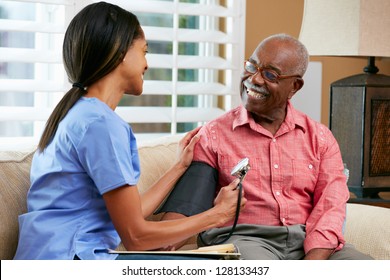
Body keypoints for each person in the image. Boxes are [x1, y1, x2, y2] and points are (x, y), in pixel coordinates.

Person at [13, 2, 246, 260]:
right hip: (70, 260)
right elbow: (135, 237)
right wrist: (217, 215)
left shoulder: (78, 115)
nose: (147, 64)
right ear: (120, 51)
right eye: (144, 51)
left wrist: (178, 166)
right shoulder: (100, 125)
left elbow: (131, 215)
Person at [158, 34, 373, 260]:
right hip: (246, 241)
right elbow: (183, 215)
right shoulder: (213, 135)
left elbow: (330, 208)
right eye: (252, 66)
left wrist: (312, 265)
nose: (255, 79)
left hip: (308, 242)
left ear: (295, 86)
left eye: (270, 74)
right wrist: (159, 241)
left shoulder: (320, 138)